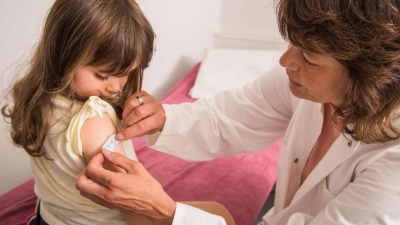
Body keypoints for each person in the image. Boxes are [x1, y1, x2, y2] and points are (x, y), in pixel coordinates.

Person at [76, 0, 400, 224]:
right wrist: (165, 119)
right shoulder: (304, 85)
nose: (285, 62)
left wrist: (165, 212)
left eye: (311, 60)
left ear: (368, 74)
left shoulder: (392, 165)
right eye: (291, 43)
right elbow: (228, 118)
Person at [1, 0, 159, 224]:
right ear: (64, 57)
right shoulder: (95, 119)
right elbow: (131, 202)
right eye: (103, 76)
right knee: (216, 210)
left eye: (128, 73)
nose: (116, 87)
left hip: (48, 217)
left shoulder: (39, 98)